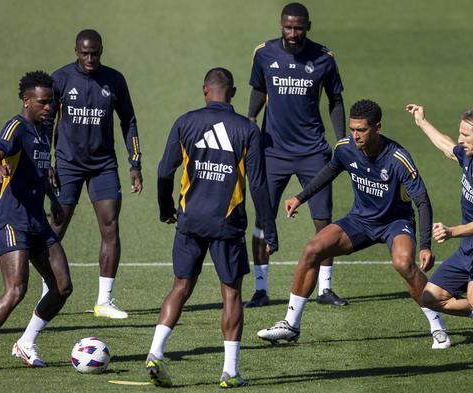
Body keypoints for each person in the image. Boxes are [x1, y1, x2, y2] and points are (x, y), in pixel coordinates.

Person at [257, 99, 450, 349]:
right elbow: (330, 170)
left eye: (362, 130)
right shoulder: (345, 148)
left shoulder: (398, 158)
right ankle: (290, 325)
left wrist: (425, 245)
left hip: (394, 222)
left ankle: (437, 326)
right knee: (312, 250)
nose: (355, 135)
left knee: (403, 263)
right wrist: (299, 197)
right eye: (352, 129)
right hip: (359, 220)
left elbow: (422, 201)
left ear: (377, 127)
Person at [145, 68, 278, 388]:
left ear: (205, 90)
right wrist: (269, 231)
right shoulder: (247, 129)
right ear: (231, 93)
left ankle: (155, 352)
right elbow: (259, 186)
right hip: (226, 223)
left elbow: (164, 172)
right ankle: (230, 372)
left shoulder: (185, 122)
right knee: (231, 292)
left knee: (181, 287)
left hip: (189, 220)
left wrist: (166, 209)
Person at [0, 71, 72, 373]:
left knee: (61, 286)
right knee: (16, 290)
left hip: (37, 221)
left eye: (51, 102)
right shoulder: (17, 126)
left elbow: (40, 169)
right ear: (27, 101)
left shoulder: (42, 129)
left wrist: (54, 199)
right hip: (12, 221)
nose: (49, 107)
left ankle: (26, 342)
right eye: (43, 102)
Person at [246, 2, 347, 307]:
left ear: (307, 27)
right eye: (287, 27)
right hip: (272, 151)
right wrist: (250, 121)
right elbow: (259, 89)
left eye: (298, 28)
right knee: (264, 217)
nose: (292, 33)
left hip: (313, 152)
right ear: (281, 25)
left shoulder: (324, 59)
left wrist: (342, 139)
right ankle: (261, 290)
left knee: (323, 221)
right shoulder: (264, 53)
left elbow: (335, 100)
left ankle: (325, 289)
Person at [42, 29, 143, 319]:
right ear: (76, 51)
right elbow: (45, 123)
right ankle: (47, 290)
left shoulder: (114, 80)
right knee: (57, 226)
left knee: (110, 226)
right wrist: (45, 161)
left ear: (101, 50)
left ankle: (104, 301)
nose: (90, 58)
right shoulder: (60, 79)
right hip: (67, 164)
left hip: (103, 165)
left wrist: (135, 162)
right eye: (85, 53)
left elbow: (129, 121)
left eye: (95, 53)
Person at [406, 104, 473, 376]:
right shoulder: (470, 157)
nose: (461, 139)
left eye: (466, 135)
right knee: (429, 297)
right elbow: (447, 146)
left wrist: (451, 231)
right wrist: (422, 122)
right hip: (468, 247)